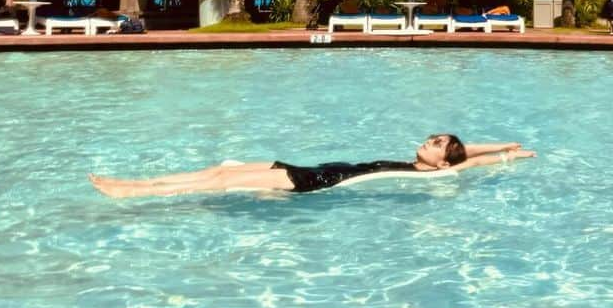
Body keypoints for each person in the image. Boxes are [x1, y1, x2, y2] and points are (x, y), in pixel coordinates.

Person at [89, 134, 536, 198]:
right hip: (310, 166)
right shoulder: (415, 162)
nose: (431, 140)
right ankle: (141, 182)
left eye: (438, 144)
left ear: (442, 161)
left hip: (317, 181)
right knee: (217, 169)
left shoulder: (439, 173)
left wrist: (506, 157)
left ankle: (133, 191)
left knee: (223, 182)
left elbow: (465, 162)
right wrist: (503, 140)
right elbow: (464, 144)